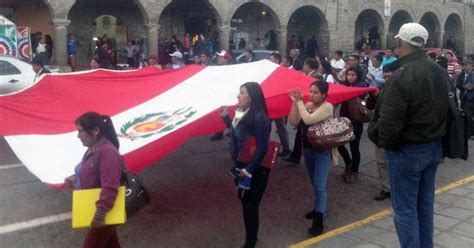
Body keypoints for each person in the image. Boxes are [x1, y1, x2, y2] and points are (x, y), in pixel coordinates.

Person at [368, 23, 449, 248]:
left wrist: (379, 137)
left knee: (405, 210)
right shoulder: (439, 72)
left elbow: (389, 125)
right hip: (433, 147)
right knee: (424, 206)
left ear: (399, 43)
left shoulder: (401, 76)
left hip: (408, 151)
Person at [219, 82, 271, 248]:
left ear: (252, 97)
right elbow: (238, 134)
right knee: (244, 202)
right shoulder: (241, 112)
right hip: (241, 165)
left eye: (242, 93)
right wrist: (226, 118)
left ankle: (250, 242)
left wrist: (248, 171)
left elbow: (262, 147)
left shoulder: (260, 117)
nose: (238, 96)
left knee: (250, 207)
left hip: (255, 169)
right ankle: (250, 239)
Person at [64, 112, 122, 247]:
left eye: (80, 131)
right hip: (94, 208)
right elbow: (92, 172)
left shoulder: (107, 151)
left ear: (96, 130)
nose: (78, 136)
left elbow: (110, 186)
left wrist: (99, 215)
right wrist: (75, 178)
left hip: (102, 211)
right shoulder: (94, 148)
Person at [288, 80, 333, 237]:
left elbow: (308, 119)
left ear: (324, 95)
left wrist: (300, 102)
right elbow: (293, 121)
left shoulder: (327, 107)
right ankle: (318, 208)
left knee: (320, 186)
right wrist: (295, 104)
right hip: (308, 150)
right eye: (311, 91)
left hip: (322, 152)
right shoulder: (306, 105)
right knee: (315, 183)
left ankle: (319, 219)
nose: (312, 95)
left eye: (315, 92)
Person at [367, 64, 394, 201]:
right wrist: (374, 97)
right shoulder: (381, 91)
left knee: (395, 162)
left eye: (390, 76)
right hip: (381, 131)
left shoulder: (401, 91)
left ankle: (396, 187)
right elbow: (371, 107)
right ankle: (385, 188)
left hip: (395, 133)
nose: (387, 78)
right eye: (385, 76)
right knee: (382, 162)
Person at [338, 66, 368, 183]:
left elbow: (353, 94)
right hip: (343, 120)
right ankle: (348, 163)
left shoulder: (361, 86)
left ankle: (354, 171)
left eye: (353, 75)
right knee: (339, 144)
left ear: (358, 76)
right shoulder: (345, 85)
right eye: (348, 75)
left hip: (356, 121)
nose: (350, 77)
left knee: (354, 147)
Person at [267, 52, 291, 157]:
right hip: (269, 103)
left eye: (271, 59)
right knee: (265, 126)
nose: (269, 60)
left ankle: (286, 148)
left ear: (277, 60)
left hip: (278, 104)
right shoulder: (268, 71)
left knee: (281, 128)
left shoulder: (282, 71)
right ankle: (263, 146)